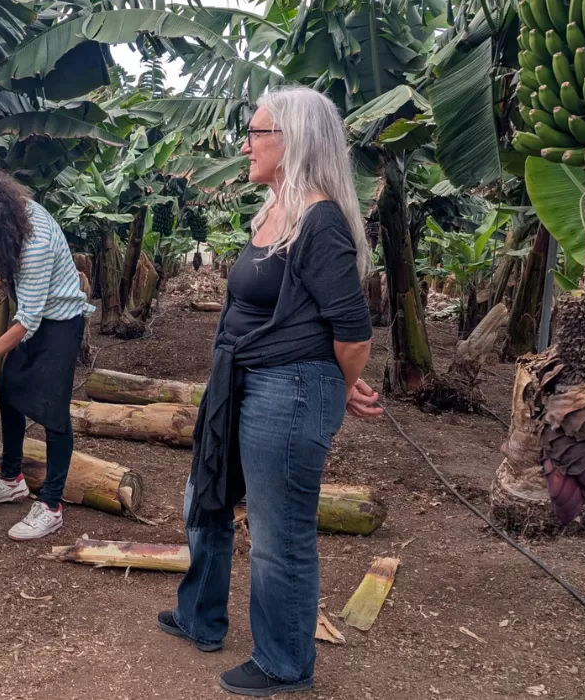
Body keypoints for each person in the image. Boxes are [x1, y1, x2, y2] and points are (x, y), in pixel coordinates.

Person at [155, 86, 383, 697]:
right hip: (242, 381)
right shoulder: (271, 211)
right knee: (201, 496)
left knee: (278, 534)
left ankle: (285, 662)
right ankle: (200, 616)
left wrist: (346, 381)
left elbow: (353, 331)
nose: (246, 144)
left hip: (289, 390)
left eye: (257, 133)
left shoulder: (321, 220)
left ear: (293, 141)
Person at [0, 166, 94, 541]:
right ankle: (12, 478)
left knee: (54, 415)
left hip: (59, 323)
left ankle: (52, 506)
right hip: (38, 316)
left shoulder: (36, 243)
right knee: (9, 392)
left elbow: (26, 320)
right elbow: (19, 272)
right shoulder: (15, 213)